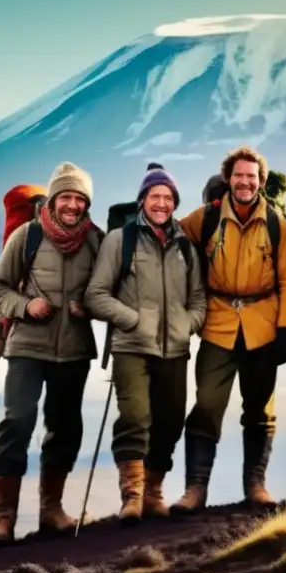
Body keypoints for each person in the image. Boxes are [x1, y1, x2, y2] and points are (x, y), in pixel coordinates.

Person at [170, 145, 286, 514]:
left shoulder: (277, 223)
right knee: (207, 405)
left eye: (252, 176)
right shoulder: (206, 218)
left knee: (259, 409)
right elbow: (171, 244)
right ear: (228, 179)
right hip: (217, 322)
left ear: (261, 181)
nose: (245, 182)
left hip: (263, 323)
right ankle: (194, 490)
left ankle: (256, 486)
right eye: (239, 176)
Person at [0, 161, 102, 542]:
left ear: (87, 203)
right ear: (52, 199)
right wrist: (25, 306)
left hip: (74, 351)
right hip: (26, 349)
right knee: (16, 423)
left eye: (79, 198)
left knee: (65, 429)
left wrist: (91, 306)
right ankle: (4, 519)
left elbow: (111, 292)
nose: (71, 205)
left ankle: (52, 510)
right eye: (65, 196)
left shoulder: (97, 241)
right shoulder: (26, 235)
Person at [84, 165, 206, 523]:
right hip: (131, 347)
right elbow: (96, 294)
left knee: (170, 422)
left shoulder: (186, 246)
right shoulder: (120, 241)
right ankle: (132, 496)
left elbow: (198, 298)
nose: (162, 203)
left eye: (169, 198)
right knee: (135, 417)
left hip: (175, 349)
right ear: (142, 200)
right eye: (155, 196)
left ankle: (154, 491)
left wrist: (187, 324)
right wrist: (132, 320)